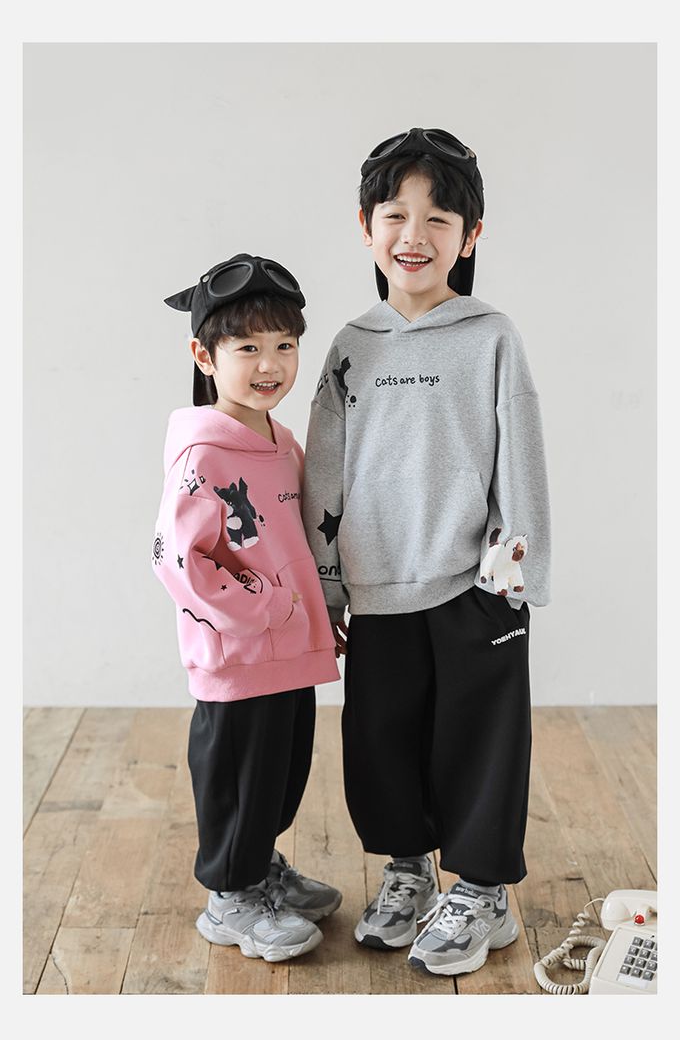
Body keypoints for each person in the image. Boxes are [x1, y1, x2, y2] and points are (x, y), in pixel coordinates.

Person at [302, 128, 551, 977]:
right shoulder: (350, 345)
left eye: (439, 218)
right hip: (377, 587)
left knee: (482, 740)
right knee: (382, 738)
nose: (415, 234)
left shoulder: (491, 336)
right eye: (396, 215)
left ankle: (482, 891)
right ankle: (408, 872)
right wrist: (328, 584)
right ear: (365, 226)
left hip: (475, 584)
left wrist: (517, 570)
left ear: (469, 236)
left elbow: (520, 454)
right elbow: (324, 471)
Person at [152, 253, 342, 963]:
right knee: (237, 776)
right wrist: (263, 608)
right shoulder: (204, 452)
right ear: (205, 356)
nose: (271, 364)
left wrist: (316, 613)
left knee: (278, 774)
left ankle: (258, 864)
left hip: (289, 651)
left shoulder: (280, 441)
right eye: (248, 348)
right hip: (239, 656)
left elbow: (295, 541)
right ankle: (229, 898)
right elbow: (178, 558)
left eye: (285, 345)